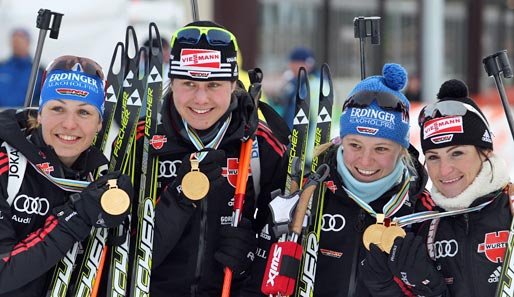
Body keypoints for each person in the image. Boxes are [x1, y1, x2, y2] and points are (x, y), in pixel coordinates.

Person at [243, 63, 431, 296]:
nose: (365, 160)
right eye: (355, 145)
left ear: (401, 150)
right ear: (341, 141)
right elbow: (259, 281)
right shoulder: (305, 196)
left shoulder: (422, 212)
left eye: (381, 149)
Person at [136, 20, 289, 296]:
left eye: (214, 84)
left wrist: (249, 258)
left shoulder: (261, 146)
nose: (201, 99)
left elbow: (280, 243)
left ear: (233, 84)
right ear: (172, 82)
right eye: (189, 83)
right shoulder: (143, 141)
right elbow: (120, 245)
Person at [0, 55, 133, 296]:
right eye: (58, 108)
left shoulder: (98, 180)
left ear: (99, 123)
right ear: (40, 114)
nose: (69, 124)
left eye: (84, 112)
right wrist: (76, 216)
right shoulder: (6, 167)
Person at [365, 79, 511, 296]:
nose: (444, 171)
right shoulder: (424, 228)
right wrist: (386, 285)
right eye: (433, 157)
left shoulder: (509, 209)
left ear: (486, 152)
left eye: (457, 153)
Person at [0, 28, 44, 108]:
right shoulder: (2, 67)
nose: (16, 45)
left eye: (20, 42)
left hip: (25, 118)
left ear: (28, 43)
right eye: (14, 42)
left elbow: (42, 97)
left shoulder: (39, 70)